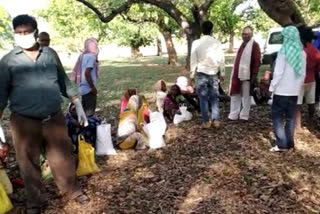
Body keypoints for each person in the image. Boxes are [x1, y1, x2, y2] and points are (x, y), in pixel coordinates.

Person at [0, 15, 90, 213]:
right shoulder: (7, 62)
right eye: (19, 33)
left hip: (53, 118)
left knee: (62, 156)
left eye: (27, 32)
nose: (23, 36)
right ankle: (35, 202)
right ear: (14, 33)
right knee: (27, 162)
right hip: (24, 122)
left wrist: (77, 102)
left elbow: (63, 80)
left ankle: (73, 191)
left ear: (35, 31)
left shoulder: (49, 54)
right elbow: (1, 93)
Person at [269, 26, 306, 152]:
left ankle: (282, 144)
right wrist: (298, 87)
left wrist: (272, 87)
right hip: (294, 91)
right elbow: (303, 74)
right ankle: (290, 143)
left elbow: (278, 72)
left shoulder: (283, 51)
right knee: (290, 117)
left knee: (277, 117)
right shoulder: (302, 52)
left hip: (281, 91)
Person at [190, 21, 225, 128]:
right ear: (212, 30)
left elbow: (193, 60)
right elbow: (221, 59)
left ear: (202, 30)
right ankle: (216, 120)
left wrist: (191, 74)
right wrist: (222, 73)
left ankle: (206, 121)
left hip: (201, 73)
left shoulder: (196, 43)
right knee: (214, 97)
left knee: (203, 98)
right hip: (214, 73)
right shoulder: (217, 43)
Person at [228, 26, 261, 121]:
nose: (244, 36)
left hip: (248, 75)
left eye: (246, 34)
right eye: (243, 34)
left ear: (251, 35)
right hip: (237, 74)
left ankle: (244, 116)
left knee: (246, 96)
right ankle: (233, 115)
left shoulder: (254, 45)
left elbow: (257, 61)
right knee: (235, 94)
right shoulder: (242, 45)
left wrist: (254, 75)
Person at [296, 26, 320, 131]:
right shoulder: (315, 51)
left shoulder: (299, 50)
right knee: (311, 102)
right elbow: (318, 67)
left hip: (299, 80)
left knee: (298, 104)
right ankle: (310, 121)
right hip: (311, 79)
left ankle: (298, 126)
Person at [72, 38, 99, 116]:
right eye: (96, 46)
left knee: (84, 112)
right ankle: (88, 127)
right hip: (89, 90)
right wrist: (93, 88)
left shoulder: (83, 56)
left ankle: (82, 126)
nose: (97, 48)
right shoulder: (91, 57)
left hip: (82, 89)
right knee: (89, 114)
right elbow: (87, 73)